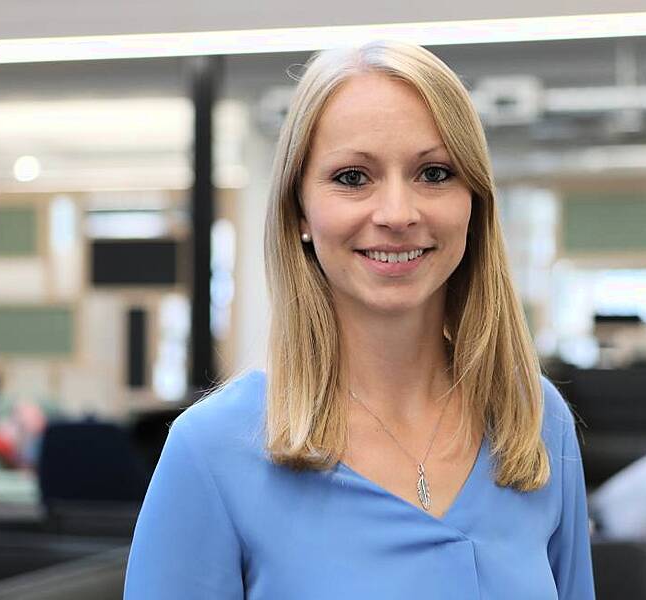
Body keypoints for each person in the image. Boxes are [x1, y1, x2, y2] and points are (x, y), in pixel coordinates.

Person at [125, 40, 594, 599]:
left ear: (475, 202)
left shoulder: (533, 419)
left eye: (435, 173)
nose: (397, 214)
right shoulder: (211, 451)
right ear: (299, 210)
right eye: (352, 177)